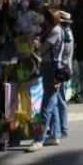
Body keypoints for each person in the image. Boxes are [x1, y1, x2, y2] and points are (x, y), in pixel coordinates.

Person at [27, 8, 64, 152]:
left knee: (47, 104)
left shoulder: (55, 31)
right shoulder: (54, 30)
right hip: (52, 67)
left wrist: (35, 46)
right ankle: (55, 135)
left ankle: (39, 139)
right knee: (52, 102)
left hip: (52, 68)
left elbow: (42, 50)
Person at [51, 11, 73, 139]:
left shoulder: (64, 34)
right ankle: (61, 128)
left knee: (60, 99)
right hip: (65, 68)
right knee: (60, 98)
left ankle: (63, 128)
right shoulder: (68, 33)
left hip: (62, 69)